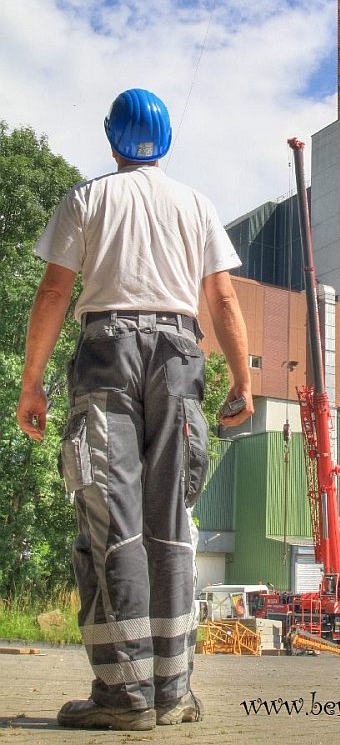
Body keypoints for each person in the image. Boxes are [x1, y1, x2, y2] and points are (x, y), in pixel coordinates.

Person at [16, 88, 254, 731]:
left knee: (111, 520)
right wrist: (242, 379)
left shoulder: (87, 200)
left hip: (107, 354)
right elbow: (223, 301)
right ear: (166, 143)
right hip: (180, 359)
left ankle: (124, 697)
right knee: (169, 520)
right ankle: (172, 693)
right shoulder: (196, 205)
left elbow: (56, 291)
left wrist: (31, 383)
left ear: (112, 141)